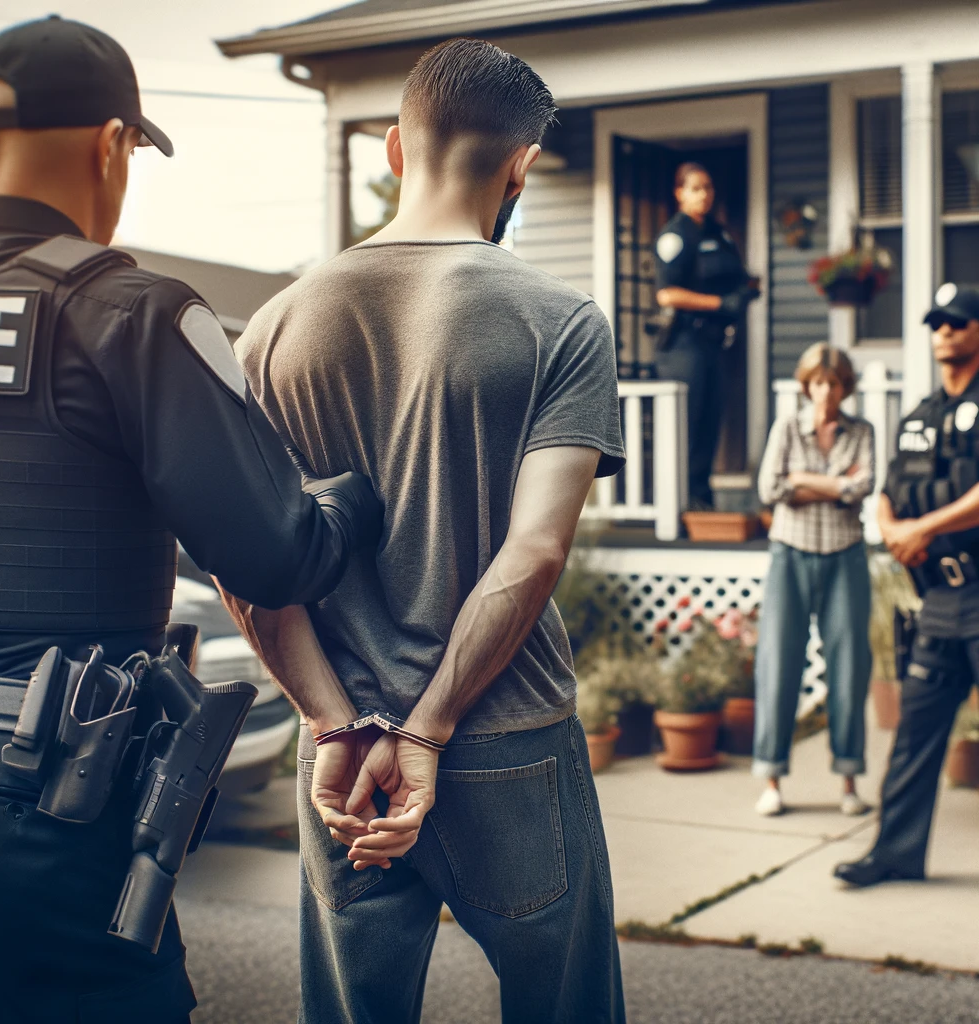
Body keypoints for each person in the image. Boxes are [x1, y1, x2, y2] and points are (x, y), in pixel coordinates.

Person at [0, 16, 380, 1024]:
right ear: (112, 145)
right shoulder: (130, 312)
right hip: (43, 807)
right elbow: (278, 551)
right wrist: (359, 487)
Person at [229, 37, 628, 1024]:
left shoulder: (269, 331)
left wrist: (334, 718)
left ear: (396, 152)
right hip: (507, 738)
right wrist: (430, 726)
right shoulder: (562, 321)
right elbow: (534, 551)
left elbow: (250, 564)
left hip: (346, 750)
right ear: (520, 165)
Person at [835, 283, 979, 887]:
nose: (944, 331)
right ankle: (895, 852)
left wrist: (920, 527)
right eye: (937, 323)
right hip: (939, 600)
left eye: (958, 322)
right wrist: (894, 529)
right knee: (916, 732)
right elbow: (891, 488)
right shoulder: (922, 415)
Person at [754, 343, 875, 817]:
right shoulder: (787, 426)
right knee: (779, 662)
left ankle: (848, 781)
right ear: (807, 385)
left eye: (836, 382)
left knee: (849, 666)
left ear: (846, 388)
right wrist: (835, 484)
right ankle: (772, 780)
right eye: (819, 382)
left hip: (846, 556)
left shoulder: (862, 431)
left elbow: (863, 487)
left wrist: (803, 482)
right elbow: (770, 488)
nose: (827, 391)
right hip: (790, 554)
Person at [653, 162, 760, 510]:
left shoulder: (719, 233)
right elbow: (667, 294)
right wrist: (719, 303)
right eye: (696, 188)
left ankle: (701, 498)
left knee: (712, 421)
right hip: (685, 344)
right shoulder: (676, 235)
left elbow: (735, 277)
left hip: (714, 344)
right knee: (690, 423)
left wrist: (744, 291)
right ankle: (681, 502)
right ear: (680, 193)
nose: (704, 195)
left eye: (708, 188)